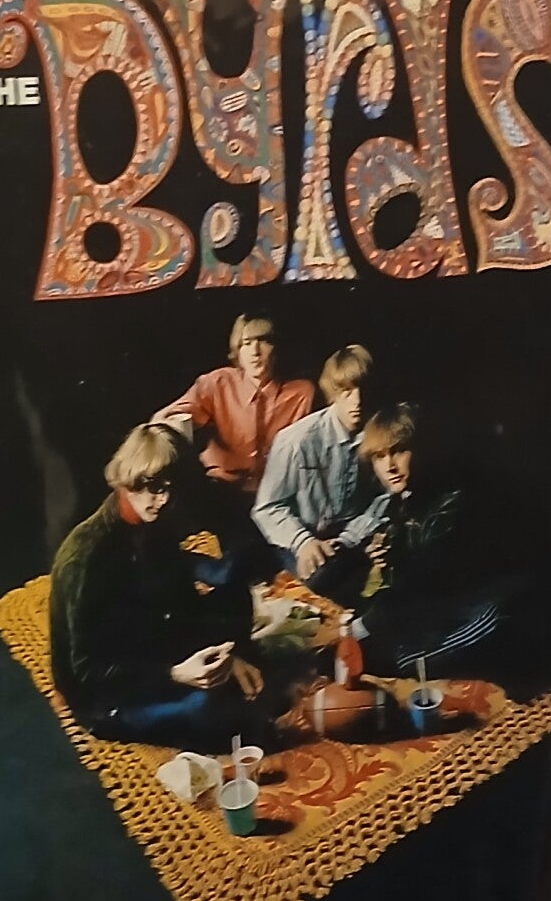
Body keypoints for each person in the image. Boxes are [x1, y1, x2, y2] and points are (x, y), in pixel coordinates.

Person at [47, 424, 266, 750]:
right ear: (129, 479)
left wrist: (227, 655)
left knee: (234, 588)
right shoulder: (85, 558)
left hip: (149, 642)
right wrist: (174, 674)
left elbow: (177, 600)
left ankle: (228, 673)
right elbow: (88, 672)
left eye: (171, 489)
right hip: (107, 694)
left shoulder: (155, 517)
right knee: (210, 711)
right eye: (153, 488)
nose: (164, 500)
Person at [337, 402, 516, 679]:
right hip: (436, 609)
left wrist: (356, 629)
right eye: (379, 456)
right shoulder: (398, 502)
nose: (390, 466)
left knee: (404, 664)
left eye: (399, 451)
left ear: (421, 450)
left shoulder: (451, 505)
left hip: (479, 610)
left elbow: (422, 581)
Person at [251, 345, 387, 582]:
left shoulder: (379, 435)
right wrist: (303, 542)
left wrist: (349, 539)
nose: (357, 400)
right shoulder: (297, 440)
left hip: (354, 537)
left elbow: (384, 496)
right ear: (333, 392)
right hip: (298, 539)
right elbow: (266, 508)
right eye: (346, 391)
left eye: (363, 389)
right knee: (323, 578)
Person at [154, 314, 315, 497]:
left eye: (263, 341)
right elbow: (164, 420)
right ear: (237, 350)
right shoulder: (217, 382)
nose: (255, 351)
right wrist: (182, 427)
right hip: (219, 490)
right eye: (246, 343)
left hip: (277, 492)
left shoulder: (302, 393)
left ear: (276, 347)